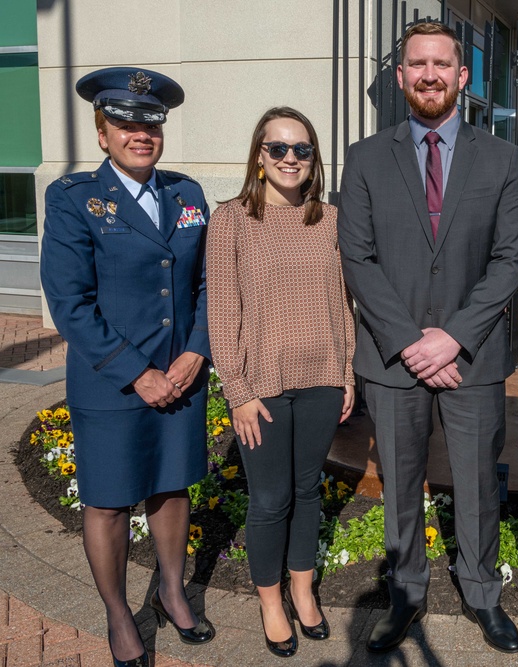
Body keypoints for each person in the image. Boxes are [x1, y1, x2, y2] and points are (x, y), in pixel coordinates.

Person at [337, 21, 518, 655]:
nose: (428, 74)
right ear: (400, 76)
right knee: (400, 482)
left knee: (476, 482)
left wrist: (452, 338)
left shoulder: (500, 157)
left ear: (461, 75)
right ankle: (406, 593)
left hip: (470, 356)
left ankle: (482, 594)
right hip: (394, 361)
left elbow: (509, 258)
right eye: (416, 64)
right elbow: (358, 258)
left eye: (441, 64)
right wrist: (411, 342)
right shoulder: (366, 157)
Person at [40, 67, 214, 667]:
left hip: (183, 375)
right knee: (110, 501)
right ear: (102, 131)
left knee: (171, 486)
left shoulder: (186, 195)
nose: (139, 133)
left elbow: (208, 287)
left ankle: (170, 589)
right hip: (114, 380)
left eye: (150, 123)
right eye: (124, 123)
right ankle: (119, 613)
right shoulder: (73, 199)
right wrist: (138, 372)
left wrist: (196, 350)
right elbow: (69, 300)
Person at [206, 107, 355, 658]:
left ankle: (303, 589)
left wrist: (346, 374)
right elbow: (222, 314)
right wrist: (237, 392)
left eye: (303, 149)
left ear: (314, 159)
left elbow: (344, 305)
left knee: (308, 490)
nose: (291, 158)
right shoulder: (231, 220)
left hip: (321, 378)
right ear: (259, 156)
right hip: (262, 386)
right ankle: (271, 603)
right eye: (279, 149)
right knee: (269, 499)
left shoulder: (331, 219)